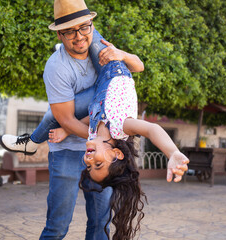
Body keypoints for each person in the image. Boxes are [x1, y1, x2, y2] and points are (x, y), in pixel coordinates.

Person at [0, 0, 145, 239]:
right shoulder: (56, 67)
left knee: (100, 225)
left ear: (91, 25)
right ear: (59, 33)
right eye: (69, 31)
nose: (79, 36)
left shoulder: (102, 48)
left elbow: (138, 66)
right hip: (67, 151)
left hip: (100, 154)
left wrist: (122, 54)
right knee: (57, 226)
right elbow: (64, 119)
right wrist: (98, 139)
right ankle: (32, 141)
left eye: (84, 27)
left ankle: (32, 141)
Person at [47, 26, 190, 240]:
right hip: (113, 65)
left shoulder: (94, 132)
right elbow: (152, 129)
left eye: (88, 166)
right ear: (117, 154)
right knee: (82, 27)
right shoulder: (122, 127)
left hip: (98, 83)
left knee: (55, 113)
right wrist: (172, 153)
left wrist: (66, 131)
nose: (89, 160)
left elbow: (94, 111)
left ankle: (65, 49)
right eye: (98, 164)